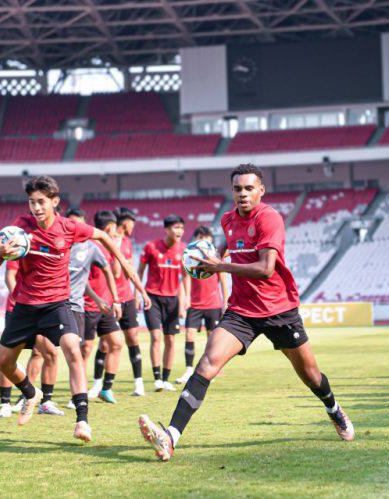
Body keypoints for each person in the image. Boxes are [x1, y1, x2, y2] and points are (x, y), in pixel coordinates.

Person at [137, 164, 355, 462]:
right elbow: (224, 251)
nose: (243, 194)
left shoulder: (270, 218)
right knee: (207, 364)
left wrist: (219, 266)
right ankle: (171, 437)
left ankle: (333, 409)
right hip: (241, 311)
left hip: (279, 310)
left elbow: (266, 269)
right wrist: (210, 258)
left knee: (311, 376)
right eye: (238, 189)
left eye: (249, 188)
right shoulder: (228, 220)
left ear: (260, 190)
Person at [0, 176, 144, 443]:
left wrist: (125, 264)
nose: (36, 208)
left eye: (41, 202)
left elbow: (102, 235)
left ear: (54, 202)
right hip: (25, 305)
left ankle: (83, 420)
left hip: (57, 303)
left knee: (74, 349)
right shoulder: (20, 227)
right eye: (32, 202)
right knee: (3, 363)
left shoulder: (69, 227)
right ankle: (31, 393)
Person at [89, 207, 151, 397]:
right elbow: (116, 272)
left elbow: (129, 271)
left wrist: (141, 292)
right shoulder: (101, 244)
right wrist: (115, 250)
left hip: (126, 298)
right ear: (124, 223)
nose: (133, 226)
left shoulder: (127, 243)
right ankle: (98, 384)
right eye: (132, 222)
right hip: (109, 299)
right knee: (105, 344)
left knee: (132, 338)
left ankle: (138, 383)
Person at [0, 259, 61, 418]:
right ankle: (5, 403)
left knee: (45, 353)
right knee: (7, 357)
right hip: (18, 310)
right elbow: (10, 276)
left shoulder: (44, 249)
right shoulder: (21, 245)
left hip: (40, 309)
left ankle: (37, 399)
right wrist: (20, 301)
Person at [137, 215, 187, 392]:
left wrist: (183, 301)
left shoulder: (183, 250)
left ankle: (166, 379)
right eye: (176, 227)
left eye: (182, 228)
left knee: (171, 340)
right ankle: (157, 378)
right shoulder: (151, 247)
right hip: (153, 297)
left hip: (172, 300)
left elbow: (185, 278)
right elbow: (140, 271)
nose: (179, 231)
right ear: (166, 229)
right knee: (156, 337)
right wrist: (139, 294)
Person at [81, 211, 126, 403]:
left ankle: (106, 388)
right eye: (114, 226)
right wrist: (95, 298)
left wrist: (115, 300)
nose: (116, 230)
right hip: (88, 305)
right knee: (85, 350)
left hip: (106, 306)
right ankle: (80, 392)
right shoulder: (87, 246)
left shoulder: (109, 246)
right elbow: (81, 277)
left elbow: (116, 274)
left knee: (116, 342)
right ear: (108, 227)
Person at [176, 226, 229, 384]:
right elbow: (185, 279)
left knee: (212, 338)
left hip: (213, 303)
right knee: (189, 334)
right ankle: (188, 370)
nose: (206, 242)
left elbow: (224, 283)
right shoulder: (189, 258)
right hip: (196, 304)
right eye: (202, 238)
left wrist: (225, 301)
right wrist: (185, 299)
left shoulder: (216, 259)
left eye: (208, 239)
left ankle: (210, 370)